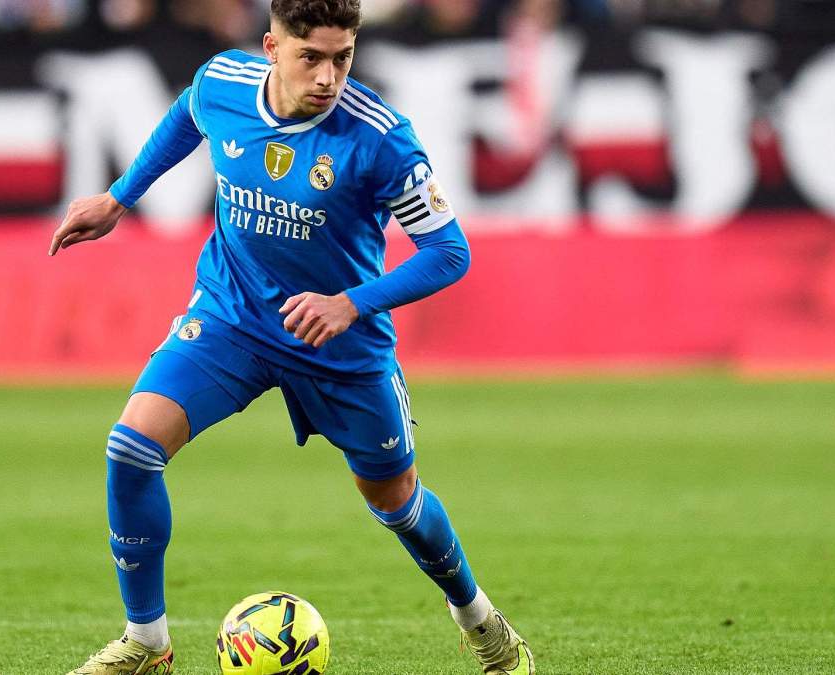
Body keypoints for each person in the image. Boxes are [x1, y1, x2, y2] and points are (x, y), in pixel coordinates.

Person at [48, 1, 533, 673]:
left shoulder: (381, 138)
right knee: (131, 446)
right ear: (273, 45)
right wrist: (119, 197)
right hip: (234, 318)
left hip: (341, 347)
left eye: (343, 57)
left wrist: (352, 304)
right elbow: (189, 112)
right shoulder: (225, 82)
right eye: (312, 57)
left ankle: (478, 619)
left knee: (398, 505)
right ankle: (145, 641)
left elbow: (450, 251)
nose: (329, 77)